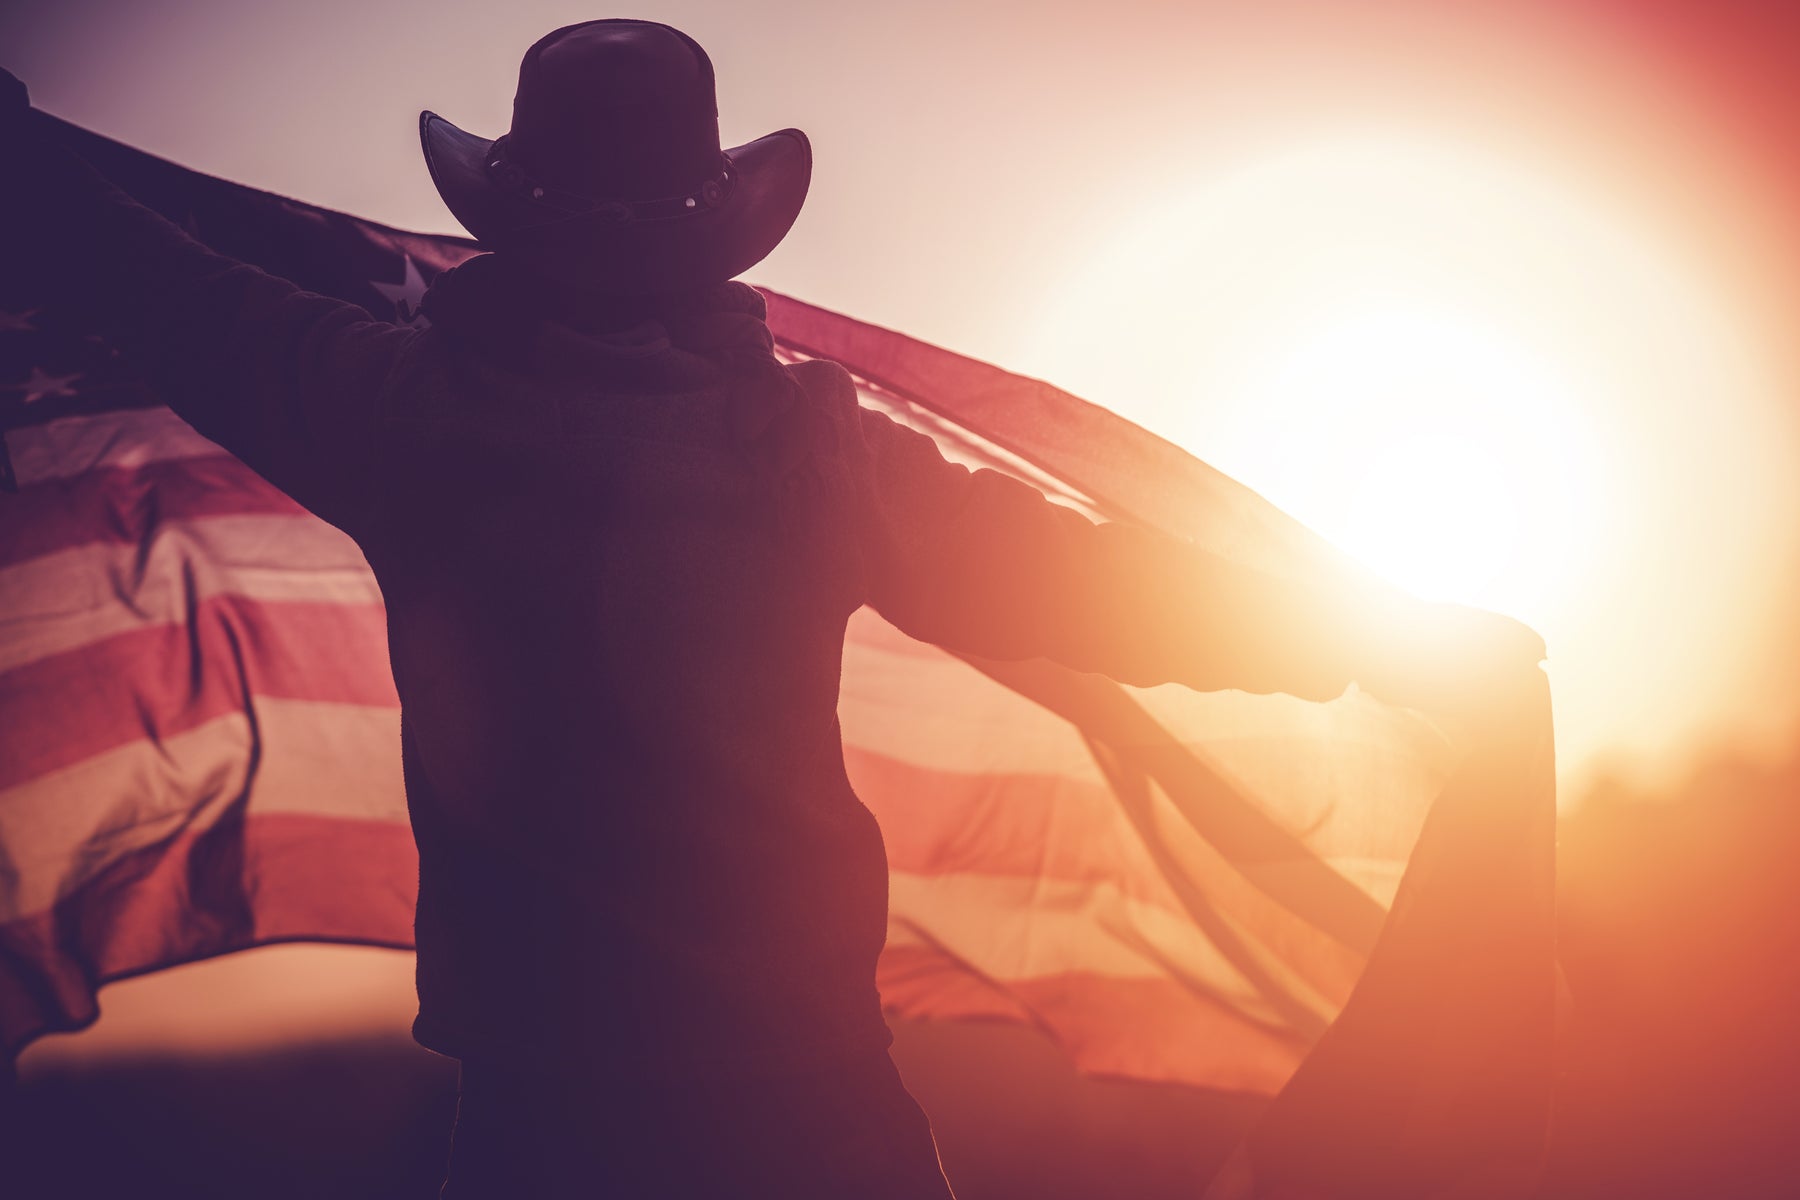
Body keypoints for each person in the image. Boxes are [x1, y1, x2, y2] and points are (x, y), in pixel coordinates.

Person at [0, 20, 1540, 1198]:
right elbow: (1108, 589)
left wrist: (27, 156)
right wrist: (1379, 636)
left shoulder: (405, 413)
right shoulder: (811, 453)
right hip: (804, 1103)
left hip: (548, 1114)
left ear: (514, 221)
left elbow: (164, 287)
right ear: (708, 236)